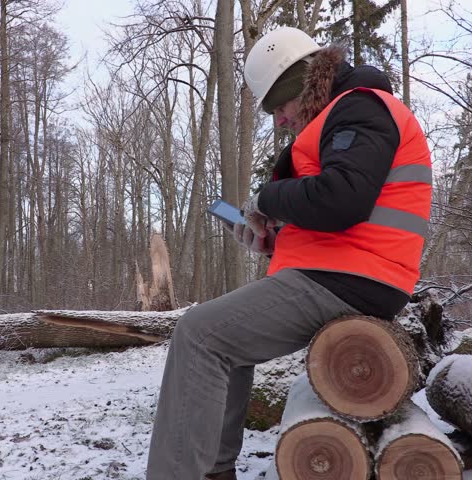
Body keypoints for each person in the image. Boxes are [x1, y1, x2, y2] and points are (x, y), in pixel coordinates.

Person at [146, 26, 432, 480]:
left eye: (280, 106)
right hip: (343, 270)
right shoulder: (345, 114)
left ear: (302, 85)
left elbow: (343, 198)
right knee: (227, 343)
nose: (279, 120)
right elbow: (346, 213)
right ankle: (213, 471)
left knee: (198, 335)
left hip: (353, 278)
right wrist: (273, 240)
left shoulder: (361, 106)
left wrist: (265, 199)